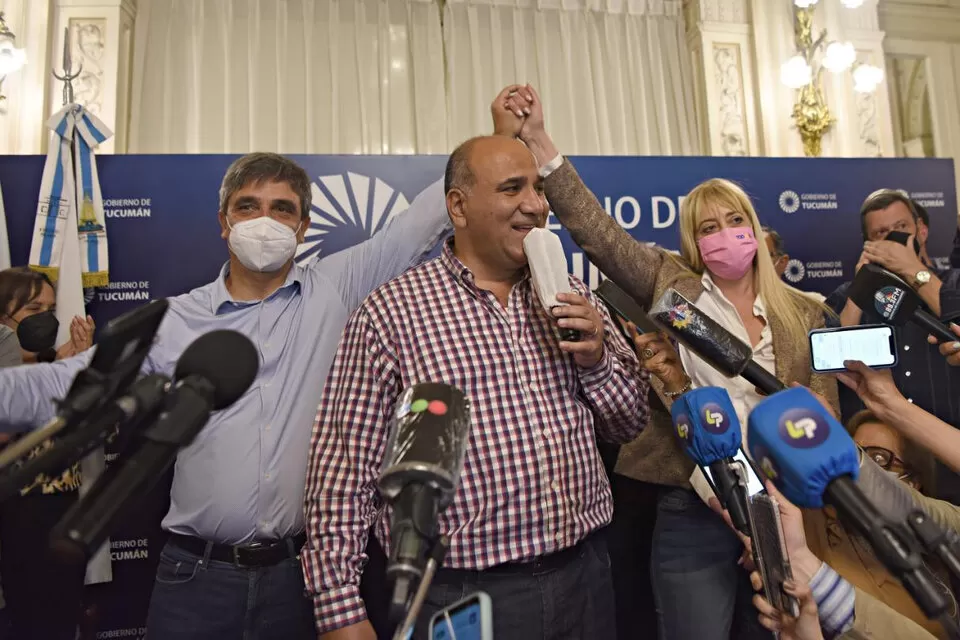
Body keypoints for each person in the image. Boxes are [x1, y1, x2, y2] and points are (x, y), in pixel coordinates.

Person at [0, 152, 449, 639]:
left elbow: (420, 223)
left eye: (282, 209)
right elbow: (75, 385)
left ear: (303, 227)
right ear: (223, 222)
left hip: (297, 574)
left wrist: (505, 137)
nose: (264, 221)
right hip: (195, 576)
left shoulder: (337, 287)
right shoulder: (176, 318)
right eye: (248, 206)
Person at [493, 86, 838, 640]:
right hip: (695, 503)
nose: (724, 235)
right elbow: (596, 233)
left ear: (752, 226)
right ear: (694, 245)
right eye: (707, 228)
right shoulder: (670, 285)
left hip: (784, 509)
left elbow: (826, 415)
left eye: (732, 220)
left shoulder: (806, 311)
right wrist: (536, 138)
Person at [303, 129, 651, 640]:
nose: (535, 205)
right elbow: (342, 471)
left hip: (585, 578)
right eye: (513, 189)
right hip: (461, 596)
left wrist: (596, 359)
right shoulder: (391, 313)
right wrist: (339, 609)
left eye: (538, 190)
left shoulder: (572, 293)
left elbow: (630, 423)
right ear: (459, 208)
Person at [825, 190, 960, 502]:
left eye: (901, 228)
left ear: (921, 231)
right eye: (880, 234)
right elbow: (833, 363)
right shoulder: (848, 296)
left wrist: (914, 271)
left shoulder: (951, 284)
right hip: (885, 467)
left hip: (951, 458)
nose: (891, 240)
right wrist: (862, 289)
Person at [0, 267, 95, 640]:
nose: (45, 320)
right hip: (16, 518)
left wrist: (78, 371)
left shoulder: (57, 369)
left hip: (63, 516)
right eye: (33, 309)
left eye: (50, 309)